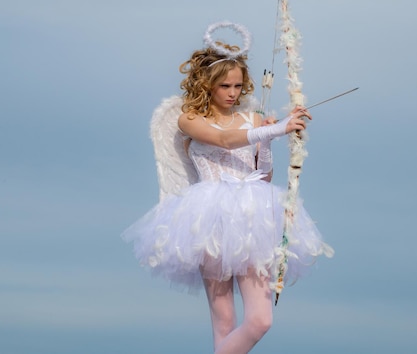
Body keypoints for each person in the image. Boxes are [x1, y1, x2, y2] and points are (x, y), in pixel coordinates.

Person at [122, 22, 333, 354]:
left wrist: (268, 141)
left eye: (238, 85)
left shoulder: (252, 119)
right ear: (207, 85)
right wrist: (275, 129)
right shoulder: (189, 119)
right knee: (223, 323)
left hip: (254, 216)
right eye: (224, 85)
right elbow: (221, 139)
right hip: (209, 217)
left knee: (260, 320)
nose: (233, 93)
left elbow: (262, 174)